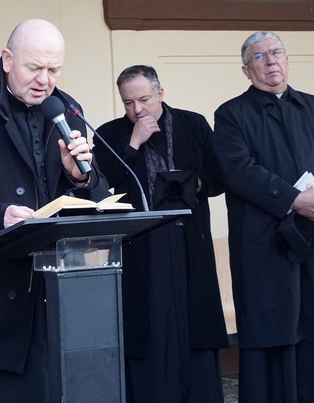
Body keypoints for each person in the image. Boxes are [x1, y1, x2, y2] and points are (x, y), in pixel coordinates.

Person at [0, 18, 107, 401]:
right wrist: (0, 217)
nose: (45, 80)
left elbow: (98, 191)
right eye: (34, 68)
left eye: (54, 70)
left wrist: (81, 179)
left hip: (57, 299)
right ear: (7, 59)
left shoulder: (67, 109)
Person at [213, 32, 314, 402]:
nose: (270, 61)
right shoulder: (231, 115)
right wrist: (293, 200)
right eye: (259, 56)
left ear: (287, 60)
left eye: (276, 52)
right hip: (267, 245)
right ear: (246, 69)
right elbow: (238, 169)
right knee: (276, 329)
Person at [94, 65, 228, 402]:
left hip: (188, 239)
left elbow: (219, 175)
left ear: (160, 94)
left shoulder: (193, 124)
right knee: (148, 328)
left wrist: (191, 184)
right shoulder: (111, 134)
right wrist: (133, 144)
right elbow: (98, 182)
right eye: (128, 103)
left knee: (194, 324)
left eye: (143, 99)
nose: (137, 109)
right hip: (140, 245)